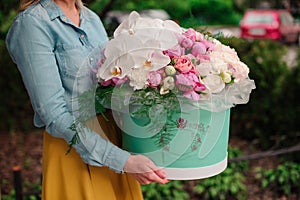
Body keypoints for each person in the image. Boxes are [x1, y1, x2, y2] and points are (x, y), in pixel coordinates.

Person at [6, 0, 169, 199]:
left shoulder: (91, 18)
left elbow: (112, 84)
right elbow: (53, 113)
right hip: (74, 149)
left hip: (114, 138)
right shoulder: (32, 24)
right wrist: (121, 160)